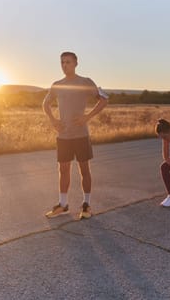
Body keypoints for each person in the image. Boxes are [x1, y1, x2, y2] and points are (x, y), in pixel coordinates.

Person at [43, 51, 108, 219]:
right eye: (62, 62)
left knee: (84, 169)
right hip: (63, 135)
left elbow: (104, 100)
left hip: (80, 134)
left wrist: (87, 117)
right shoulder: (57, 84)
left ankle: (86, 205)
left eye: (68, 62)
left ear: (76, 63)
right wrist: (53, 120)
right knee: (63, 170)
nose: (65, 65)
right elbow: (45, 103)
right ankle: (63, 205)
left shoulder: (85, 82)